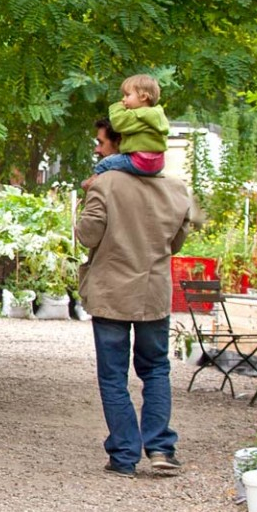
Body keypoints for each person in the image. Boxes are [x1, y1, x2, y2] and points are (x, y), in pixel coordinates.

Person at [75, 149, 199, 477]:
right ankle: (160, 448)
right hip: (152, 293)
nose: (97, 149)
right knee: (156, 369)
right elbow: (176, 244)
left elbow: (88, 235)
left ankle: (125, 455)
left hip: (111, 294)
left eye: (100, 143)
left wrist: (86, 197)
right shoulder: (174, 188)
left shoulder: (105, 184)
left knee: (114, 375)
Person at [94, 74, 169, 179]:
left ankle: (94, 183)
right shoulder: (158, 116)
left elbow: (117, 123)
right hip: (158, 164)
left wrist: (117, 106)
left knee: (104, 164)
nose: (123, 99)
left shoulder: (138, 116)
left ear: (143, 97)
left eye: (127, 95)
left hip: (139, 161)